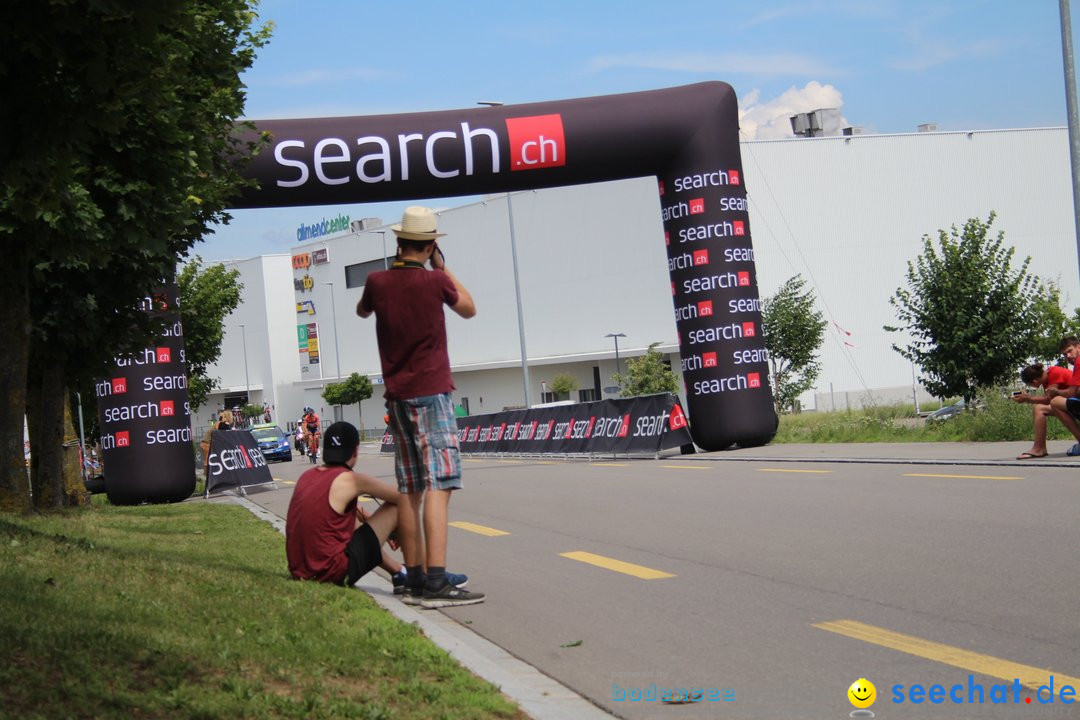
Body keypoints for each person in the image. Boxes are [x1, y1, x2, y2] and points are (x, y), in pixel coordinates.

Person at [357, 205, 485, 608]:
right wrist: (442, 268)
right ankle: (436, 580)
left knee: (410, 488)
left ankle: (412, 579)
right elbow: (468, 307)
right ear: (430, 245)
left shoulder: (376, 282)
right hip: (433, 394)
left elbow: (363, 309)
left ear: (398, 241)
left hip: (397, 397)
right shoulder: (434, 283)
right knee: (440, 487)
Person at [1013, 337, 1080, 459]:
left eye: (1070, 351)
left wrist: (1028, 399)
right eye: (1065, 354)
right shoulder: (1049, 378)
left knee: (1052, 403)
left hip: (1074, 399)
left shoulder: (1054, 373)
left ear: (1034, 381)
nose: (1068, 356)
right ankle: (1039, 448)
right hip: (1075, 400)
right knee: (1040, 407)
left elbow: (1050, 399)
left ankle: (1039, 448)